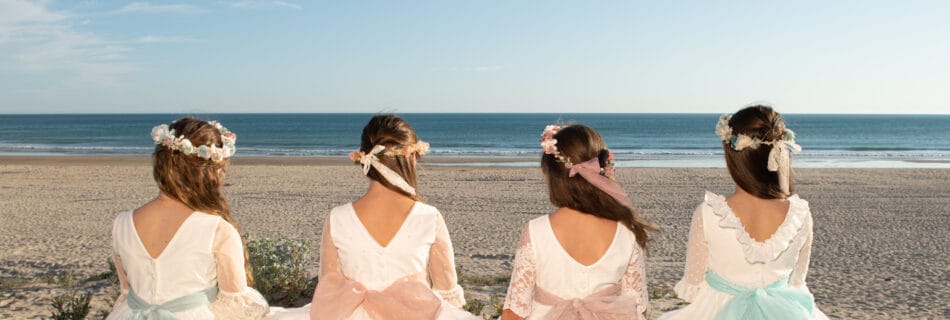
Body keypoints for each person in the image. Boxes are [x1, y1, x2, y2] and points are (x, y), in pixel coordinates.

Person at [269, 114, 478, 320]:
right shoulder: (429, 218)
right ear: (412, 157)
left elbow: (330, 292)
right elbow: (446, 293)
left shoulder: (337, 219)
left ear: (364, 160)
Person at [659, 105, 828, 319]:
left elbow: (693, 283)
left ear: (732, 156)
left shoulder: (709, 214)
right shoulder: (800, 215)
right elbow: (796, 282)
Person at [108, 117, 269, 319]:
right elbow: (235, 304)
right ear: (211, 173)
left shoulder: (122, 223)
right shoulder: (218, 229)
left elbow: (127, 290)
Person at [501, 124, 655, 320]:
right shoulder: (627, 232)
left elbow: (514, 312)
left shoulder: (536, 231)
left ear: (555, 177)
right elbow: (637, 308)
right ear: (603, 169)